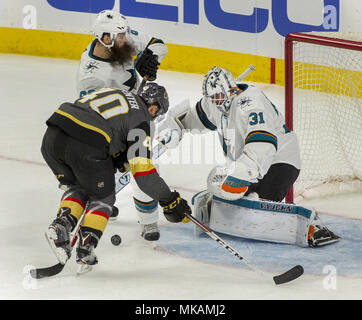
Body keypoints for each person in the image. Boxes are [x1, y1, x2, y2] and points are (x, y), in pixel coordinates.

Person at [156, 66, 340, 247]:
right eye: (212, 98)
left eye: (218, 96)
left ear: (232, 89)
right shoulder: (213, 102)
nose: (216, 101)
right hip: (245, 165)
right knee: (224, 194)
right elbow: (188, 118)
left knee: (257, 208)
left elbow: (263, 143)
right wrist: (173, 127)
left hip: (280, 161)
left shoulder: (252, 103)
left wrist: (241, 174)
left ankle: (312, 228)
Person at [41, 83, 191, 268]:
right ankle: (85, 248)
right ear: (153, 107)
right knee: (104, 196)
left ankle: (61, 225)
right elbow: (143, 176)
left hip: (52, 137)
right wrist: (169, 200)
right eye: (158, 113)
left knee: (80, 186)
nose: (156, 116)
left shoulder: (119, 93)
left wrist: (115, 151)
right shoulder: (142, 120)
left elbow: (108, 123)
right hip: (85, 144)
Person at [76, 10, 169, 241]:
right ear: (105, 39)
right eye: (118, 37)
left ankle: (148, 221)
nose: (124, 40)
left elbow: (159, 45)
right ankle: (102, 201)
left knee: (143, 164)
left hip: (137, 114)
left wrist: (151, 58)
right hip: (111, 125)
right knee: (108, 166)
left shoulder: (121, 38)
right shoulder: (91, 75)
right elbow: (92, 115)